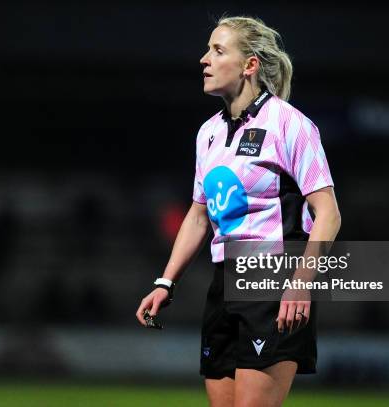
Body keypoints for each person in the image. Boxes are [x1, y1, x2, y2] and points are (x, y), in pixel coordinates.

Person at [136, 15, 341, 407]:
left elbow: (328, 212)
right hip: (224, 279)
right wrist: (165, 282)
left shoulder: (290, 124)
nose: (203, 59)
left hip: (275, 276)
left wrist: (302, 281)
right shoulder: (208, 132)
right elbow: (199, 215)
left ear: (250, 65)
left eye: (217, 50)